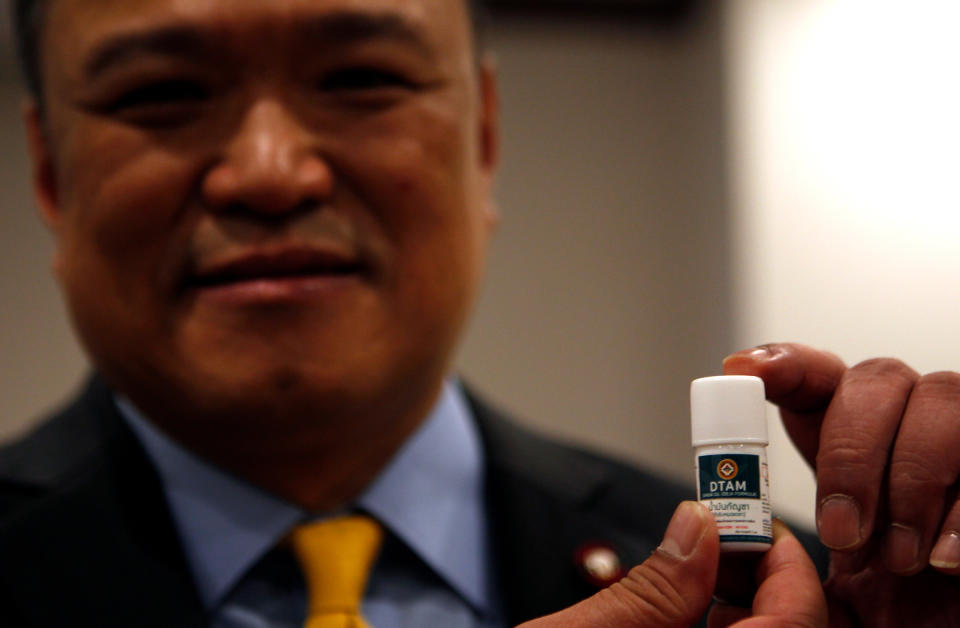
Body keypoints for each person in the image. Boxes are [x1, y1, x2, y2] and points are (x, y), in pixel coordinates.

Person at [0, 0, 957, 625]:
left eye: (360, 79)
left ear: (485, 136)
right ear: (49, 169)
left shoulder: (796, 594)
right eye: (161, 93)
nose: (270, 173)